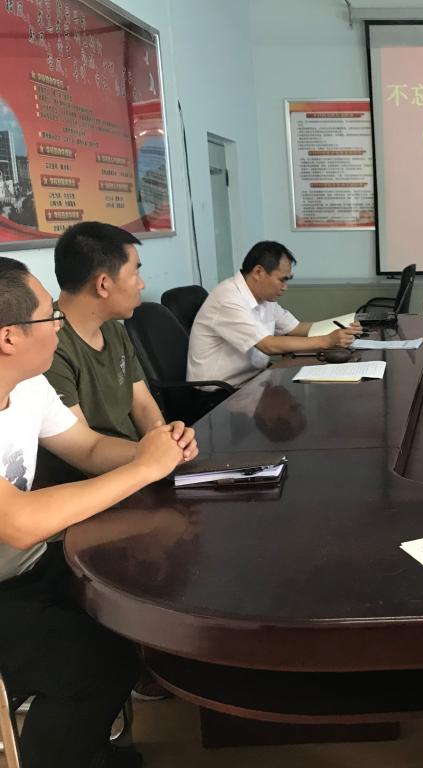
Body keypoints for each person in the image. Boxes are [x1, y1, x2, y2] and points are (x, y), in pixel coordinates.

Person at [0, 257, 197, 768]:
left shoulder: (26, 383)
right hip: (9, 577)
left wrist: (159, 451)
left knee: (128, 615)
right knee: (93, 665)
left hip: (25, 568)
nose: (59, 325)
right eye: (50, 315)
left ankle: (90, 750)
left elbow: (86, 448)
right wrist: (143, 469)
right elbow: (18, 522)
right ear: (9, 337)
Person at [35, 222, 165, 485]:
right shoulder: (48, 347)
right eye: (135, 274)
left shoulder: (114, 330)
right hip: (91, 483)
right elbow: (85, 452)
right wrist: (153, 456)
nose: (142, 284)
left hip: (136, 466)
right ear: (103, 284)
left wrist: (165, 440)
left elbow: (142, 404)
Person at [188, 241, 360, 388]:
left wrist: (345, 326)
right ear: (258, 272)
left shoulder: (264, 297)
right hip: (220, 393)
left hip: (253, 379)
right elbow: (268, 345)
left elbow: (296, 328)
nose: (285, 287)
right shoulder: (228, 299)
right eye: (282, 279)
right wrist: (327, 340)